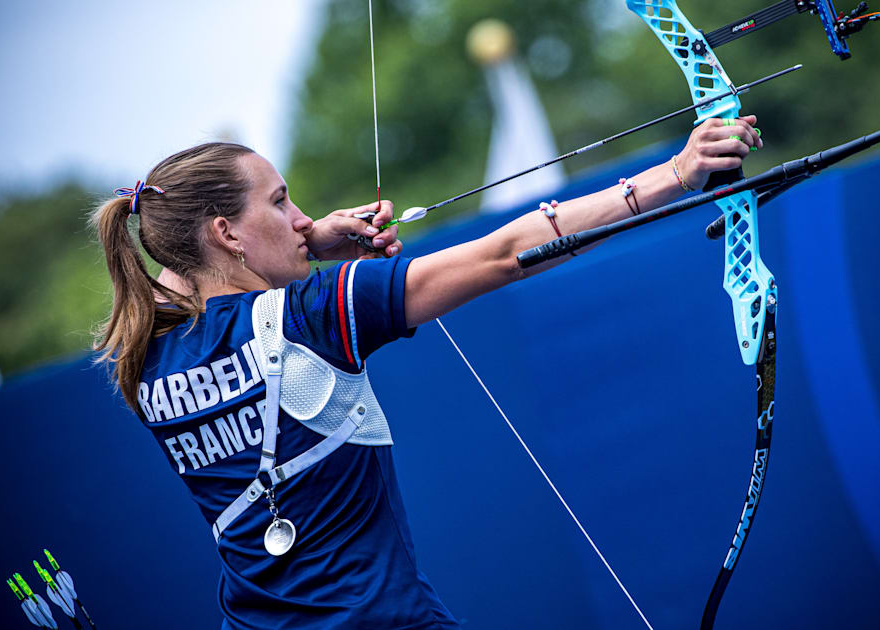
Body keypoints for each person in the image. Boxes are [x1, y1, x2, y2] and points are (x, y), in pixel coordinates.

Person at [92, 115, 762, 630]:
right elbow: (506, 253)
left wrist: (301, 242)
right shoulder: (311, 314)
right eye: (282, 202)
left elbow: (180, 269)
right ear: (226, 233)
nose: (301, 219)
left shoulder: (146, 354)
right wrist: (676, 173)